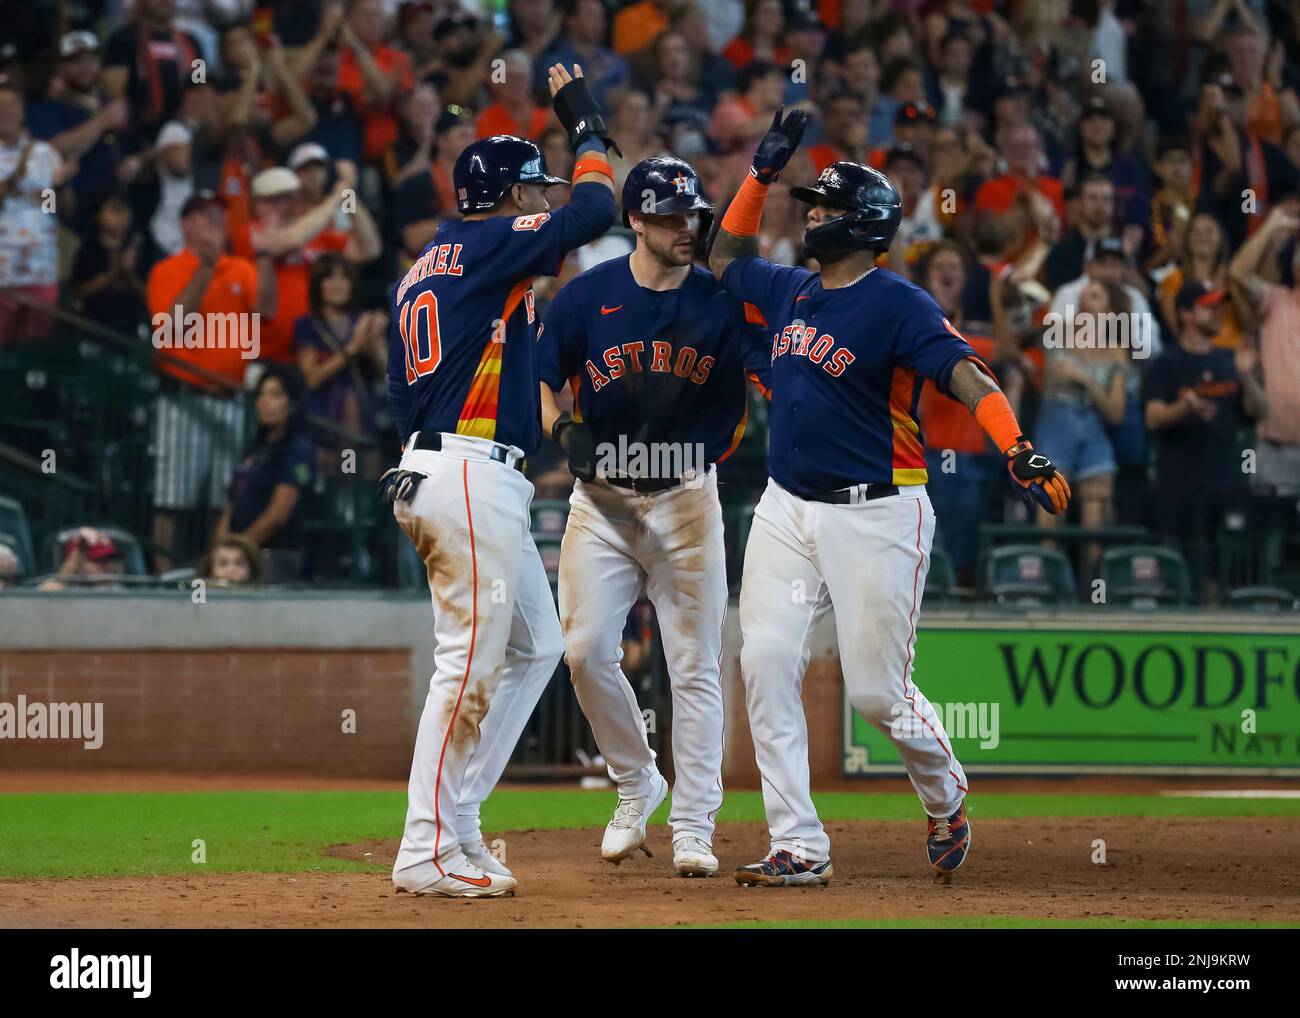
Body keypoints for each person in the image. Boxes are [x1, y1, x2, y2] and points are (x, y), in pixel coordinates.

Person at [708, 109, 1070, 885]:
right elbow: (724, 253)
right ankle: (798, 844)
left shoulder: (898, 303)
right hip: (786, 507)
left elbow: (966, 375)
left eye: (826, 206)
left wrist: (1016, 446)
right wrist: (760, 173)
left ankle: (944, 795)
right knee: (765, 658)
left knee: (877, 692)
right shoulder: (788, 289)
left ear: (864, 224)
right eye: (809, 203)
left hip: (878, 511)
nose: (810, 214)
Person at [380, 63, 617, 899]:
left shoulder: (427, 265)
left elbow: (399, 393)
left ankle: (463, 821)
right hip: (469, 475)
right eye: (533, 190)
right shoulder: (487, 242)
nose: (542, 202)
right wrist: (586, 123)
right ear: (507, 195)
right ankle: (424, 847)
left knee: (538, 646)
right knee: (467, 665)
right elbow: (598, 208)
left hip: (449, 467)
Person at [537, 156, 767, 878]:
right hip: (602, 502)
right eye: (668, 215)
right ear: (633, 220)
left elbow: (767, 376)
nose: (685, 227)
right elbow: (541, 379)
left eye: (691, 214)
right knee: (582, 651)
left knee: (696, 667)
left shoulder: (720, 301)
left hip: (688, 498)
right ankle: (638, 781)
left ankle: (695, 826)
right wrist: (560, 431)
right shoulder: (586, 297)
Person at [145, 190, 270, 572]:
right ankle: (163, 582)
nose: (214, 222)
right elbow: (171, 330)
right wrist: (205, 268)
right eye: (203, 215)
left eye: (218, 215)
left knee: (222, 503)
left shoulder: (241, 268)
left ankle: (215, 578)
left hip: (230, 402)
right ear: (184, 224)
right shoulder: (167, 269)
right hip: (183, 399)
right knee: (171, 500)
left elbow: (268, 310)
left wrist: (265, 254)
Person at [1142, 282, 1267, 600]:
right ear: (1185, 313)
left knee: (1228, 576)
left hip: (1226, 483)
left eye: (1217, 306)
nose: (1217, 313)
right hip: (1180, 486)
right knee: (1182, 579)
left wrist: (1249, 376)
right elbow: (1153, 418)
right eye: (1207, 307)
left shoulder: (1231, 360)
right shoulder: (1166, 364)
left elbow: (1259, 411)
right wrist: (1186, 406)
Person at [1229, 204, 1300, 497]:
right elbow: (1238, 272)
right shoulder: (1277, 300)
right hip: (1274, 449)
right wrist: (1272, 225)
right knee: (1268, 537)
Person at [294, 252, 386, 470]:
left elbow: (384, 374)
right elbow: (313, 378)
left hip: (363, 425)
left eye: (344, 278)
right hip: (324, 426)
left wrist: (376, 340)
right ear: (318, 285)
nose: (338, 285)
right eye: (330, 278)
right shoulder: (308, 325)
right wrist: (353, 346)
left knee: (362, 492)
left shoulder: (363, 320)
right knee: (328, 494)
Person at [214, 366, 315, 556]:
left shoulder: (299, 450)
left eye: (275, 395)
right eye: (261, 394)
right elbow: (232, 505)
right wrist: (220, 549)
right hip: (238, 556)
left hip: (273, 555)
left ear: (292, 404)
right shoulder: (255, 447)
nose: (264, 401)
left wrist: (239, 552)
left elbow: (277, 517)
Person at [0, 78, 67, 345]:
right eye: (0, 105)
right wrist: (23, 190)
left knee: (34, 357)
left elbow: (52, 207)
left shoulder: (45, 154)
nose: (7, 111)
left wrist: (52, 192)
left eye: (13, 104)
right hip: (2, 275)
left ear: (23, 109)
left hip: (40, 269)